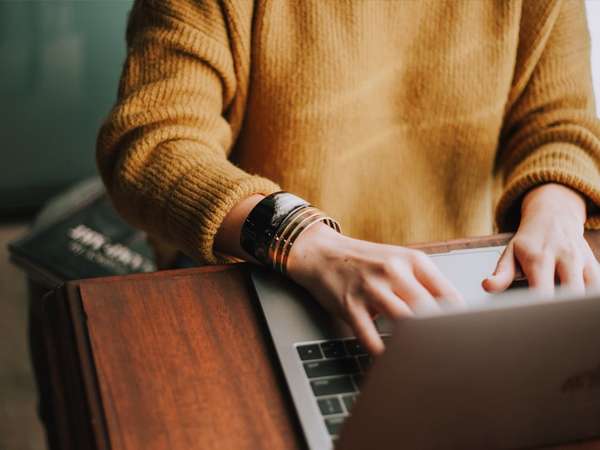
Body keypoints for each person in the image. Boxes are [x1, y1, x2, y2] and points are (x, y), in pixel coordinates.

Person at [97, 0, 600, 354]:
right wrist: (305, 241)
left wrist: (556, 209)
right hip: (269, 275)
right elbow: (152, 145)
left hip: (462, 288)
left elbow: (560, 123)